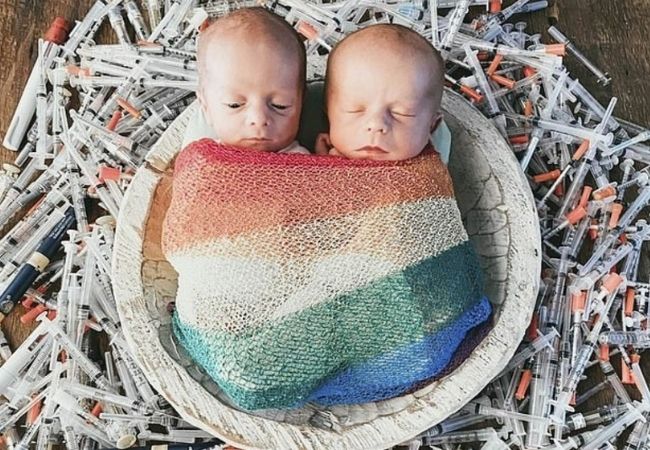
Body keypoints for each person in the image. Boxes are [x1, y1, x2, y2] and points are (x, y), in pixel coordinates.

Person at [315, 23, 445, 161]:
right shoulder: (308, 164)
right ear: (328, 114)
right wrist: (323, 166)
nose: (376, 124)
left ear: (432, 126)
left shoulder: (430, 170)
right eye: (354, 109)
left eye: (402, 113)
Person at [195, 7, 309, 154]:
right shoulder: (202, 157)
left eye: (280, 105)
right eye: (234, 104)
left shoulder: (304, 162)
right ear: (206, 107)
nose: (259, 119)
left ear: (301, 103)